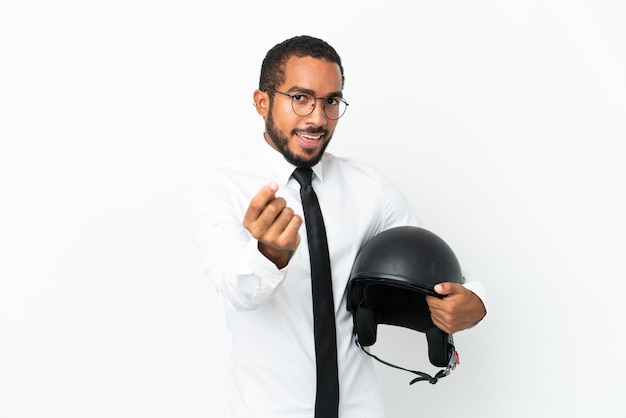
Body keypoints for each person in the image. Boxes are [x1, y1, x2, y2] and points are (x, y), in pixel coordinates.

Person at [188, 35, 487, 418]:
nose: (317, 117)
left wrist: (474, 303)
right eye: (300, 98)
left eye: (331, 101)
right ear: (262, 101)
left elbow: (431, 264)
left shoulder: (369, 185)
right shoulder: (219, 187)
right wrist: (269, 254)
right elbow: (238, 291)